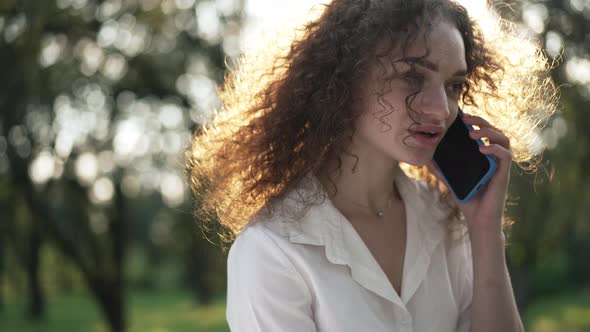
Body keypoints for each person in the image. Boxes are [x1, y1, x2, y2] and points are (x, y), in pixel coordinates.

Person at [186, 0, 557, 331]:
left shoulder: (448, 223)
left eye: (453, 85)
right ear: (346, 77)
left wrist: (485, 229)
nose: (441, 109)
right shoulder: (272, 250)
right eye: (413, 76)